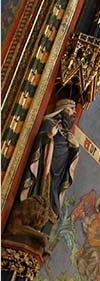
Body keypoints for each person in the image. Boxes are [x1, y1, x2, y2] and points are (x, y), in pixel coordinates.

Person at [8, 99, 80, 243]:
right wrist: (48, 135)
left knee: (53, 205)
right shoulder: (49, 124)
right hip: (44, 170)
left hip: (57, 177)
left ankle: (42, 230)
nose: (73, 114)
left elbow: (68, 161)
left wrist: (75, 147)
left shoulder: (68, 136)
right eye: (71, 110)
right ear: (62, 110)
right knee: (38, 197)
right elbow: (38, 143)